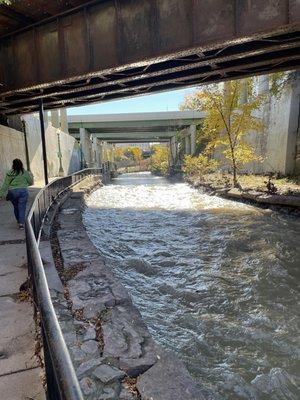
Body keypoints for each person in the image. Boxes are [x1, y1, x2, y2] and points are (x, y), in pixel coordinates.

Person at [0, 159, 34, 229]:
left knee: (16, 207)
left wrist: (1, 194)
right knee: (22, 207)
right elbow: (30, 182)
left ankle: (18, 220)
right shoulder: (25, 172)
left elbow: (5, 184)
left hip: (12, 192)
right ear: (21, 164)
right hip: (23, 191)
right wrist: (25, 184)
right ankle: (21, 224)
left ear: (13, 164)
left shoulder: (10, 173)